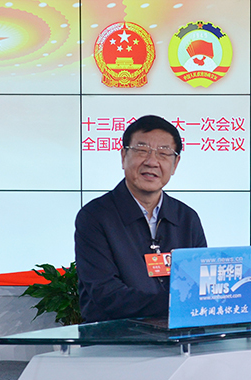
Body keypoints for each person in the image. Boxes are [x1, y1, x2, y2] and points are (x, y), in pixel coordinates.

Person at [75, 115, 207, 322]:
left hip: (177, 336)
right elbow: (106, 293)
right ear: (123, 156)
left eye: (164, 153)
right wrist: (174, 303)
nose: (152, 162)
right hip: (115, 337)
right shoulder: (95, 216)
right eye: (142, 150)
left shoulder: (187, 218)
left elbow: (198, 283)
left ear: (175, 164)